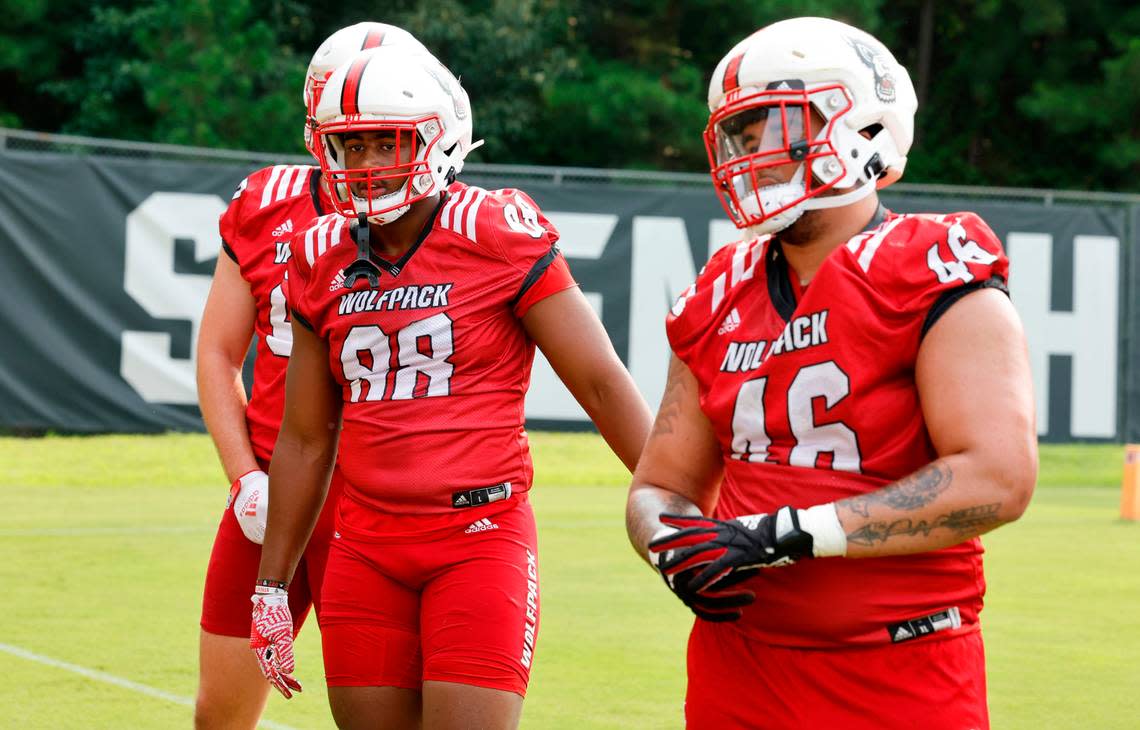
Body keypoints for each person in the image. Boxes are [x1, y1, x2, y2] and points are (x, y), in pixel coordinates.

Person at [625, 16, 1037, 729]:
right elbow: (660, 485)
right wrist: (672, 546)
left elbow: (999, 478)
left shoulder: (933, 266)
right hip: (739, 666)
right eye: (741, 136)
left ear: (861, 128)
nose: (750, 154)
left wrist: (785, 534)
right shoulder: (717, 291)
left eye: (769, 127)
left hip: (899, 668)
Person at [249, 45, 652, 730]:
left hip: (479, 535)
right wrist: (271, 586)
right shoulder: (319, 255)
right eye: (352, 145)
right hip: (365, 544)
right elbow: (306, 437)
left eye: (388, 140)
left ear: (441, 138)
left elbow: (600, 381)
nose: (369, 162)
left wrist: (685, 504)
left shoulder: (494, 230)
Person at [194, 22, 428, 729]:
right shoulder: (268, 204)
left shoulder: (444, 222)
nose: (368, 147)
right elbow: (215, 353)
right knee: (219, 713)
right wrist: (246, 479)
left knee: (383, 717)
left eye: (387, 132)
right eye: (350, 129)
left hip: (383, 504)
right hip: (275, 489)